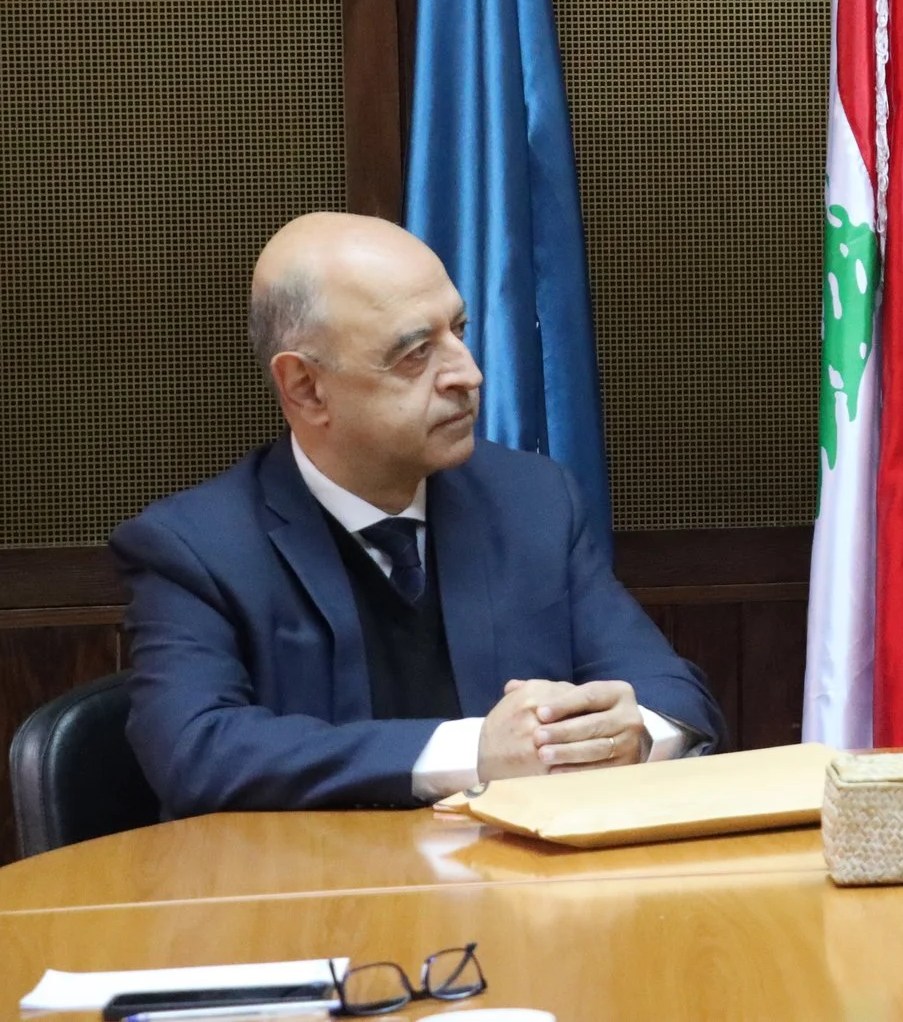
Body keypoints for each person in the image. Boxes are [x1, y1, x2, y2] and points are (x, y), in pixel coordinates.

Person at [114, 213, 722, 815]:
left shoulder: (532, 500)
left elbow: (673, 697)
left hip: (515, 873)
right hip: (311, 875)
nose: (468, 374)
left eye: (459, 330)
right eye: (415, 353)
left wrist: (629, 734)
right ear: (305, 387)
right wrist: (474, 753)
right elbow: (195, 753)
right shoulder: (195, 548)